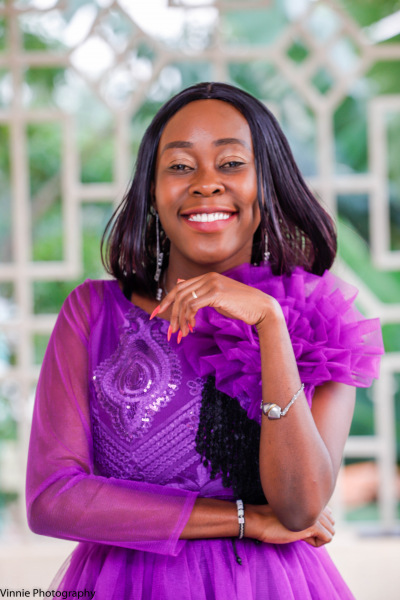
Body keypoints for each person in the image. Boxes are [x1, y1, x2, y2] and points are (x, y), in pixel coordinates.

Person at [26, 82, 384, 599]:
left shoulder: (318, 323)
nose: (206, 184)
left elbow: (300, 507)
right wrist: (244, 520)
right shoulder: (93, 312)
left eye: (231, 163)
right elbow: (53, 500)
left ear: (267, 185)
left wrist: (269, 324)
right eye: (180, 166)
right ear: (153, 192)